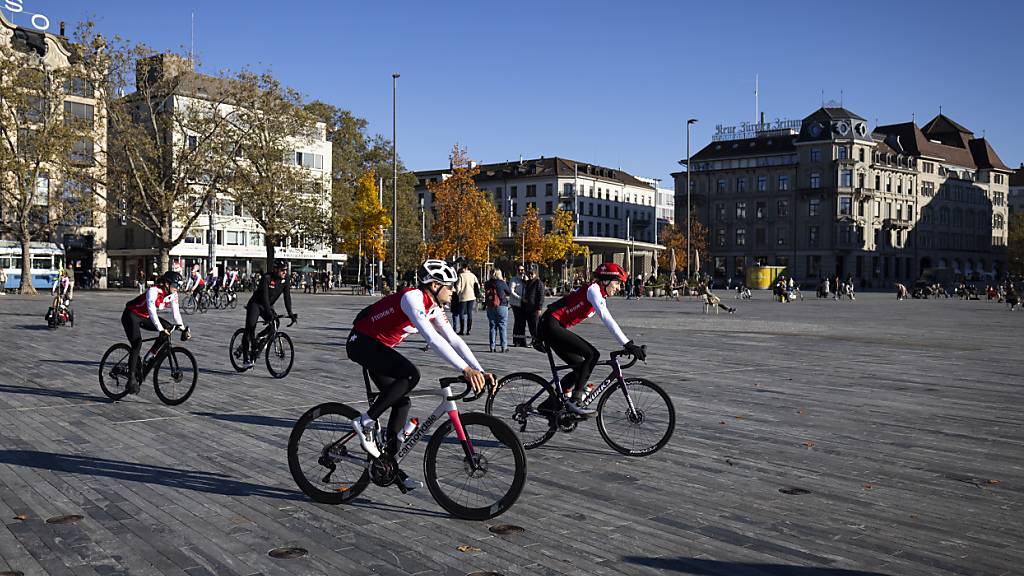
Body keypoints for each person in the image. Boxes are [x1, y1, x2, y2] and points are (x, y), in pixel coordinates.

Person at [346, 259, 494, 490]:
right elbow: (433, 340)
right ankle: (364, 421)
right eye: (450, 285)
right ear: (435, 285)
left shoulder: (434, 307)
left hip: (379, 348)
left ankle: (389, 466)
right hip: (362, 343)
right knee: (411, 375)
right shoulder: (412, 297)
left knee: (402, 402)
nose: (454, 290)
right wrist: (465, 370)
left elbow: (453, 339)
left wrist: (480, 370)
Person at [536, 262, 645, 416]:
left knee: (580, 366)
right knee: (592, 355)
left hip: (554, 325)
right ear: (606, 280)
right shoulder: (593, 290)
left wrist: (628, 344)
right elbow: (607, 318)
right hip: (551, 324)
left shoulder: (597, 293)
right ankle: (575, 400)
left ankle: (549, 405)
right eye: (617, 283)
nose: (619, 288)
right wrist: (628, 344)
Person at [122, 271, 190, 394]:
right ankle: (131, 379)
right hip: (131, 315)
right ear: (166, 284)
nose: (177, 288)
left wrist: (183, 328)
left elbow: (176, 313)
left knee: (168, 327)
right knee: (137, 343)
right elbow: (152, 311)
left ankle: (148, 357)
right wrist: (160, 329)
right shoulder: (153, 291)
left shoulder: (173, 294)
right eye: (175, 285)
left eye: (178, 286)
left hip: (145, 317)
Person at [242, 260, 297, 369]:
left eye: (286, 270)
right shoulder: (267, 278)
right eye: (282, 270)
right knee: (250, 327)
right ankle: (245, 358)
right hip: (256, 304)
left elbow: (287, 297)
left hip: (268, 305)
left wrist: (290, 313)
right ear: (275, 270)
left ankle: (259, 338)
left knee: (275, 323)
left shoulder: (285, 279)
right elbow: (265, 297)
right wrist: (269, 312)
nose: (285, 272)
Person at [484, 269, 513, 352]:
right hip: (501, 305)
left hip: (490, 306)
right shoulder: (501, 283)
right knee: (502, 326)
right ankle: (504, 347)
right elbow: (509, 292)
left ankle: (492, 347)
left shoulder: (487, 283)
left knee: (492, 326)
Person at [521, 265, 545, 346]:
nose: (530, 275)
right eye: (529, 274)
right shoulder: (529, 282)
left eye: (532, 274)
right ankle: (534, 340)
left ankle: (538, 341)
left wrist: (539, 308)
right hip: (528, 308)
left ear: (536, 274)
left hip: (535, 308)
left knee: (535, 326)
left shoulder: (539, 283)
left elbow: (541, 296)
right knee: (531, 326)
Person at [453, 262, 480, 336]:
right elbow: (478, 286)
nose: (462, 269)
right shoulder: (473, 276)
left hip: (463, 296)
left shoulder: (461, 276)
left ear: (465, 268)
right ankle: (469, 330)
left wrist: (459, 293)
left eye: (462, 267)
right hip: (472, 296)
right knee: (469, 312)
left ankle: (462, 330)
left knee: (461, 313)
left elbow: (458, 287)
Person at [509, 265, 527, 347]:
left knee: (523, 322)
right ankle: (516, 340)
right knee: (518, 321)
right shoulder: (514, 279)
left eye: (522, 270)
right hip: (516, 303)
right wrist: (520, 298)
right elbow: (511, 291)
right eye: (519, 270)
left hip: (524, 304)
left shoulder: (525, 278)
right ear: (517, 271)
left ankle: (522, 340)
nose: (521, 271)